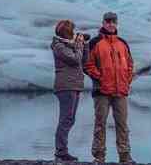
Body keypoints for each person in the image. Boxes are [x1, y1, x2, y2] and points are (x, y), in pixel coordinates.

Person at [85, 12, 135, 165]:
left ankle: (124, 156)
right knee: (100, 123)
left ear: (117, 23)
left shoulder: (122, 43)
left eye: (113, 21)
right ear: (103, 23)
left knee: (122, 124)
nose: (111, 24)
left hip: (121, 91)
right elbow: (87, 65)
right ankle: (99, 157)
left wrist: (126, 80)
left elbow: (130, 65)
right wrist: (100, 78)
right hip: (102, 91)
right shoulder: (95, 43)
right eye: (108, 21)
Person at [51, 19, 89, 162]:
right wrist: (79, 44)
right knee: (65, 119)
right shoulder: (59, 45)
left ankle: (62, 151)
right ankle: (61, 152)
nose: (74, 33)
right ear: (67, 32)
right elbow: (74, 59)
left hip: (74, 85)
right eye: (72, 31)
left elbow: (83, 61)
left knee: (70, 119)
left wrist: (85, 45)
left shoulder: (70, 45)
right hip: (66, 86)